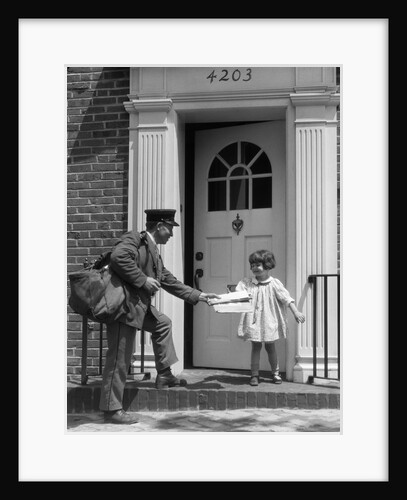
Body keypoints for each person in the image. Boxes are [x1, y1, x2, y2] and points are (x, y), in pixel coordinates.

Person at [100, 209, 221, 424]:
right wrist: (143, 279)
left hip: (137, 307)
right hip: (123, 307)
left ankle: (164, 374)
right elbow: (118, 258)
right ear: (159, 226)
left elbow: (167, 279)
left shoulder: (154, 251)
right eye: (171, 228)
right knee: (119, 357)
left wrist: (200, 295)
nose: (172, 234)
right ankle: (111, 409)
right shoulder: (135, 238)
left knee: (162, 323)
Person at [235, 249, 305, 386]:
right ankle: (254, 375)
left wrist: (296, 312)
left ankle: (276, 373)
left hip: (269, 320)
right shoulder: (248, 283)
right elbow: (238, 294)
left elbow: (286, 298)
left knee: (270, 347)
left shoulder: (274, 283)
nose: (254, 268)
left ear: (267, 266)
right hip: (253, 320)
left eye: (258, 265)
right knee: (255, 346)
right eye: (252, 265)